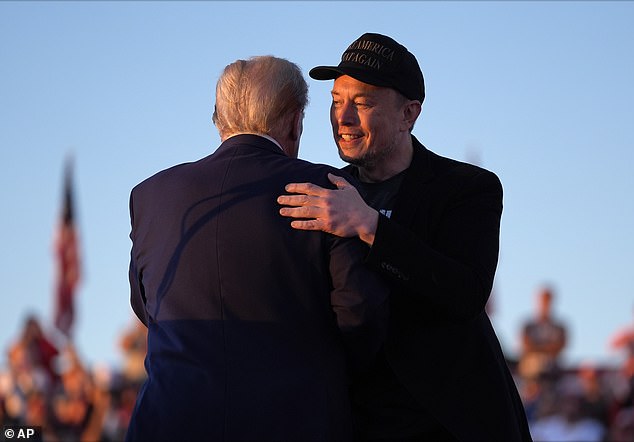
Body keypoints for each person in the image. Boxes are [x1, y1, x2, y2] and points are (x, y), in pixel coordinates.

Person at [277, 33, 532, 441]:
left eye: (361, 103)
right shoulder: (322, 191)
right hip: (358, 419)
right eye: (336, 100)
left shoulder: (467, 187)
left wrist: (370, 226)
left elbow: (465, 292)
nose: (342, 118)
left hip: (449, 420)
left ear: (408, 114)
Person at [125, 55, 388, 441]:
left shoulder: (151, 195)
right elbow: (360, 314)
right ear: (294, 120)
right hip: (295, 422)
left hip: (170, 421)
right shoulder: (326, 189)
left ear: (219, 120)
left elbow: (145, 305)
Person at [518, 286, 568, 383]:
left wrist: (538, 348)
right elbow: (526, 346)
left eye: (548, 300)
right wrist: (548, 348)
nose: (545, 304)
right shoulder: (528, 325)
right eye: (543, 300)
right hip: (530, 371)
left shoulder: (559, 327)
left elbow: (560, 347)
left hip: (552, 370)